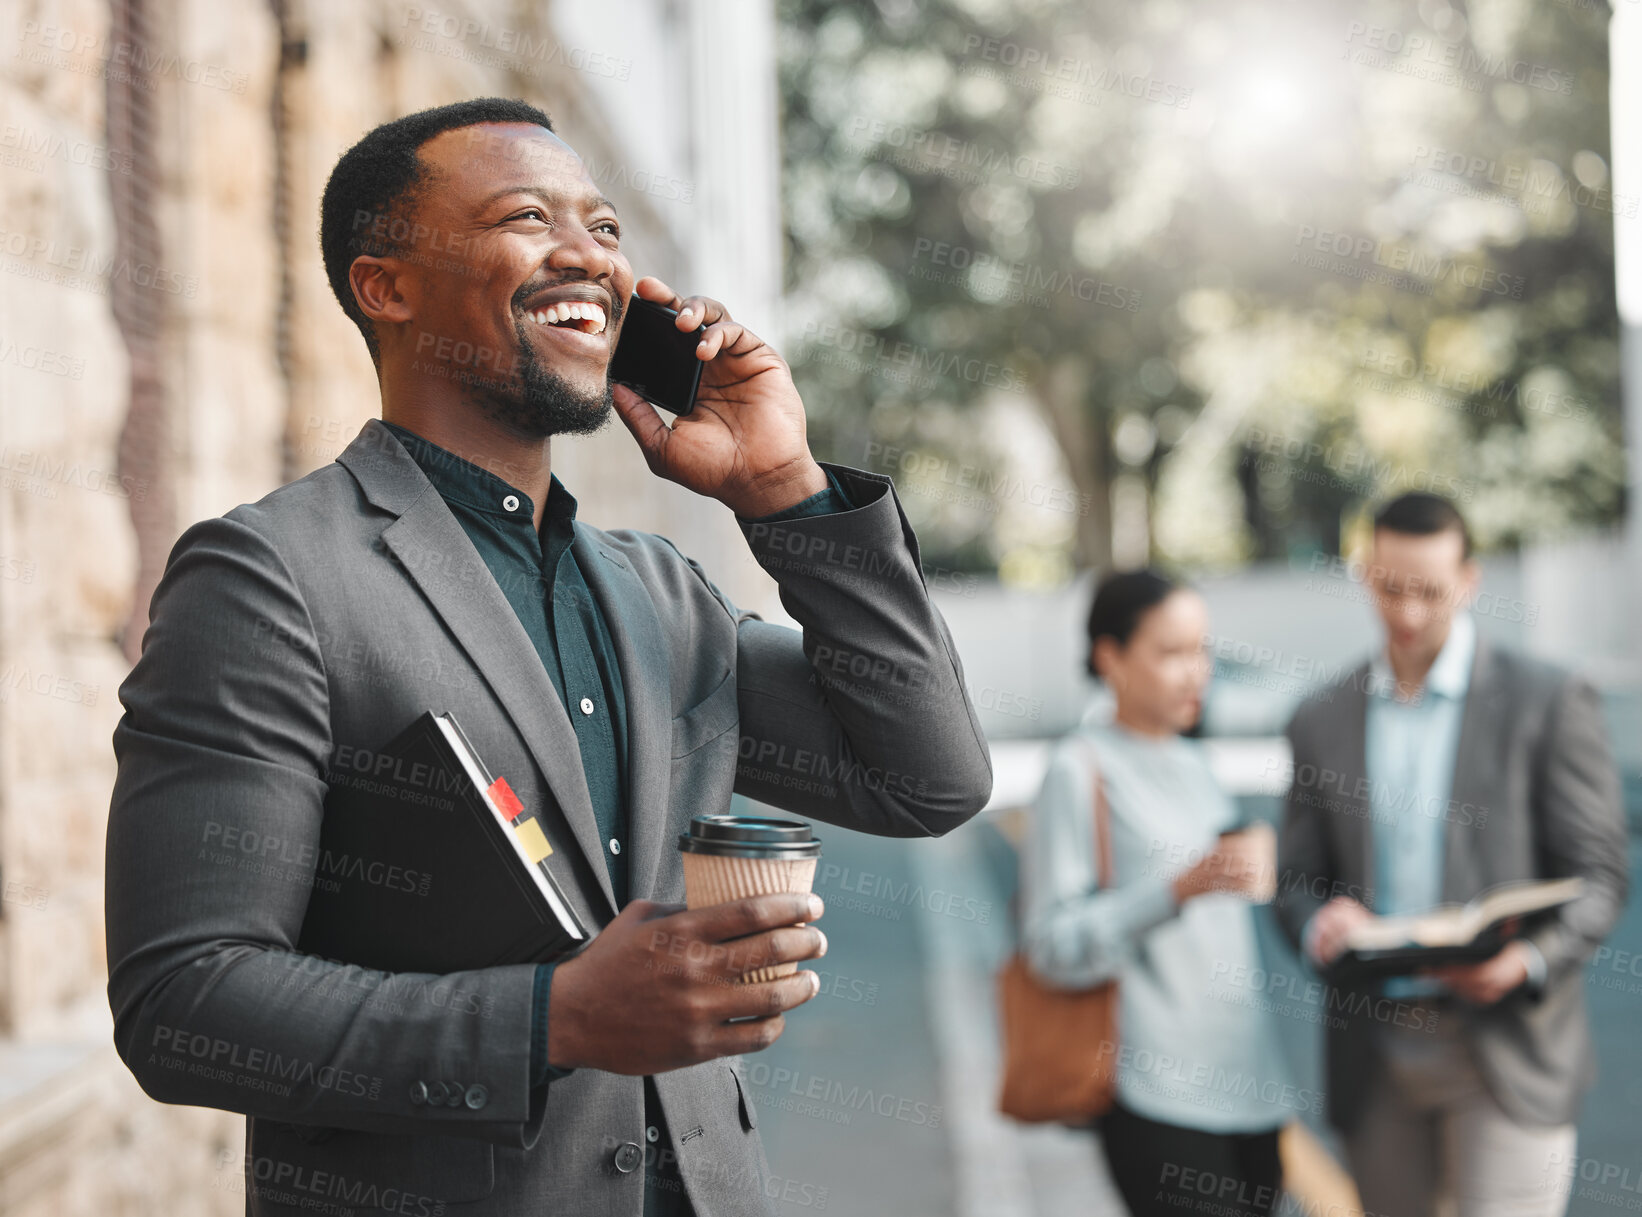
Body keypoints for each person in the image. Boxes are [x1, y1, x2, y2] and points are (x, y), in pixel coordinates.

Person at [103, 98, 993, 1217]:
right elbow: (184, 1002)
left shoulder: (660, 590)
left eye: (609, 229)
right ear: (387, 287)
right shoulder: (269, 576)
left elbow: (924, 777)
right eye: (528, 217)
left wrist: (787, 494)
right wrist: (552, 1016)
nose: (588, 255)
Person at [1276, 492, 1628, 1217]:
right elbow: (1295, 877)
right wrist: (1319, 925)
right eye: (1390, 587)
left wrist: (1527, 961)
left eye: (1430, 592)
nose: (1407, 613)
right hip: (1373, 1058)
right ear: (1365, 572)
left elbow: (1600, 875)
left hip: (1505, 1051)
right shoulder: (1320, 716)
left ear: (1468, 582)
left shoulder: (1548, 699)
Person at [1020, 569, 1297, 1217]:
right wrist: (1175, 889)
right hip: (1157, 1091)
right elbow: (1050, 945)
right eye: (1172, 652)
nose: (1195, 671)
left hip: (1253, 1085)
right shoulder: (1078, 768)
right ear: (1108, 657)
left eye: (1201, 649)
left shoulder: (1196, 763)